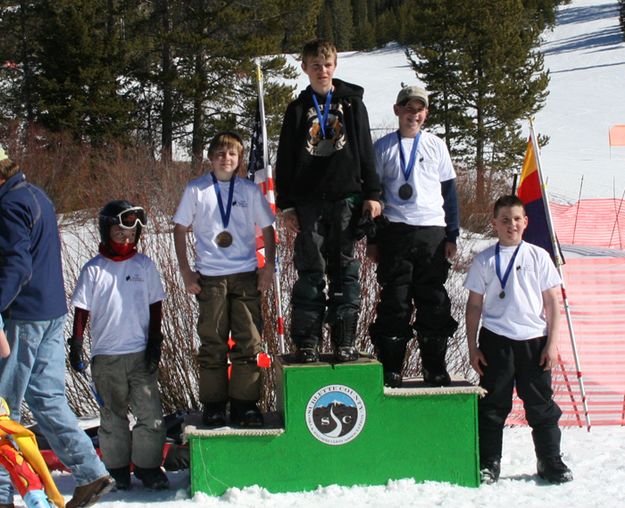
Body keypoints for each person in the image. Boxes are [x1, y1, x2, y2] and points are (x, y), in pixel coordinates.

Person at [0, 146, 114, 508]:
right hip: (51, 312)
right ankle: (91, 472)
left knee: (4, 410)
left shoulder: (8, 206)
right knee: (47, 398)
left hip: (23, 317)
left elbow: (18, 265)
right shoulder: (36, 196)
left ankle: (2, 491)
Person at [275, 38, 381, 363]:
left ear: (335, 66)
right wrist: (287, 205)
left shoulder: (351, 104)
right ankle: (307, 341)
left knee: (345, 271)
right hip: (308, 203)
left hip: (346, 199)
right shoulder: (297, 110)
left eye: (328, 64)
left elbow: (365, 149)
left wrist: (373, 194)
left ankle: (344, 340)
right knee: (310, 271)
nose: (322, 70)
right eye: (316, 65)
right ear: (304, 67)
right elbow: (285, 160)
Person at [464, 194, 573, 485]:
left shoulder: (539, 256)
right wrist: (472, 346)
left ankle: (550, 461)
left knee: (541, 406)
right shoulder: (484, 259)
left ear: (525, 222)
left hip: (534, 341)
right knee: (492, 406)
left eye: (516, 219)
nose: (510, 225)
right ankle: (489, 462)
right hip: (495, 342)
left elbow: (552, 303)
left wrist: (552, 343)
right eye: (504, 220)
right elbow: (474, 304)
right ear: (494, 224)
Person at [173, 131, 275, 428]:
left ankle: (245, 405)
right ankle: (214, 405)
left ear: (239, 158)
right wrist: (185, 270)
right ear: (210, 157)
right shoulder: (197, 189)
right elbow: (180, 229)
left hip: (245, 275)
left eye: (231, 154)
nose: (225, 158)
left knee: (248, 341)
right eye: (220, 153)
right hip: (211, 278)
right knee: (212, 342)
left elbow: (268, 229)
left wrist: (268, 267)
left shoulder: (249, 191)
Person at [68, 200, 169, 491]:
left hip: (140, 354)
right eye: (119, 235)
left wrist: (155, 343)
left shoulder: (144, 266)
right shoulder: (94, 270)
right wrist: (76, 343)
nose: (125, 241)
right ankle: (117, 469)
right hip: (107, 357)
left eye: (130, 236)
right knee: (113, 417)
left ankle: (148, 467)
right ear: (105, 232)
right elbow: (82, 311)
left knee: (150, 415)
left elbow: (155, 307)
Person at [367, 85, 459, 388]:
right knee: (395, 299)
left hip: (431, 230)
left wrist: (452, 234)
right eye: (408, 108)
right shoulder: (382, 148)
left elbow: (449, 192)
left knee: (433, 298)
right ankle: (392, 368)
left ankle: (434, 368)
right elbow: (374, 196)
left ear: (426, 114)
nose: (413, 114)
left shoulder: (436, 145)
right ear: (397, 110)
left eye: (419, 109)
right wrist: (374, 240)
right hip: (395, 231)